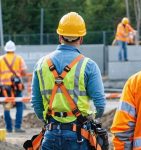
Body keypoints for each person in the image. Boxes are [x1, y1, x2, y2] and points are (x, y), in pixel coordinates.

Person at [31, 12, 106, 150]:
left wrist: (48, 121)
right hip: (78, 136)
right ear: (81, 38)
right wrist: (93, 119)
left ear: (60, 36)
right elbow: (100, 104)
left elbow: (36, 103)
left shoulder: (41, 64)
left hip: (50, 134)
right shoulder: (88, 65)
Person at [111, 20, 141, 149]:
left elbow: (122, 133)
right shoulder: (120, 27)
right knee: (122, 49)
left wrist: (132, 32)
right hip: (121, 39)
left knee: (123, 49)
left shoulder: (135, 83)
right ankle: (123, 58)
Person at [0, 40, 27, 132]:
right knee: (19, 105)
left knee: (7, 107)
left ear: (6, 49)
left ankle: (8, 128)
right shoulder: (19, 58)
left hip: (5, 88)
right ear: (14, 49)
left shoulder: (1, 59)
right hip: (16, 87)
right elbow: (24, 72)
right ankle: (17, 127)